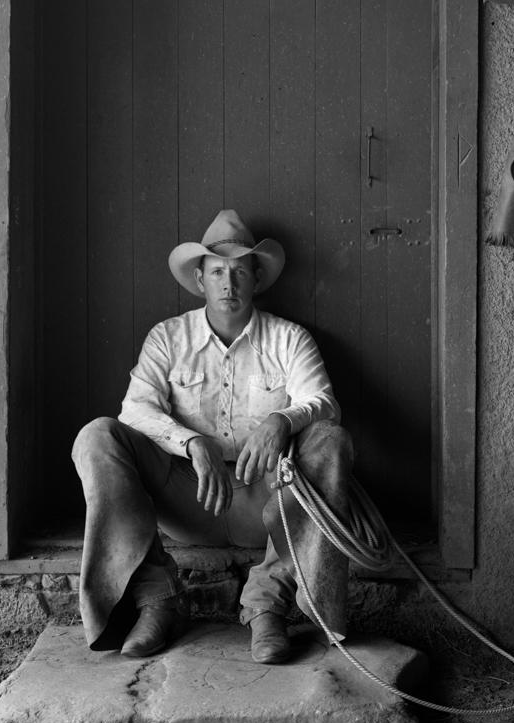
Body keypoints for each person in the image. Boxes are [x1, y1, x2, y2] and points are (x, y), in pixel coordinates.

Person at [72, 209, 353, 664]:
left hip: (267, 504)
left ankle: (268, 604)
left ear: (257, 279)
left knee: (330, 441)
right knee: (97, 436)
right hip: (187, 497)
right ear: (200, 280)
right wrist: (190, 442)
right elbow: (134, 409)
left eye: (240, 272)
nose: (229, 283)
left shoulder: (289, 339)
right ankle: (155, 600)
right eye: (218, 272)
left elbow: (324, 401)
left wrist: (281, 420)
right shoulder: (168, 337)